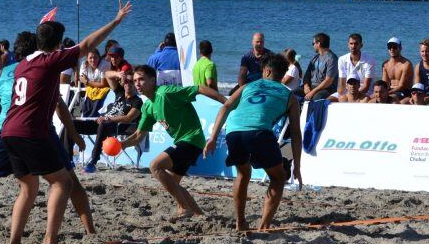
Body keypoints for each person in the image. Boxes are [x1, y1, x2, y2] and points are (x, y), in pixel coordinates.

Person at [0, 1, 132, 244]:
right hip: (31, 131)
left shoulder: (24, 64)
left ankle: (14, 242)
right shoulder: (50, 61)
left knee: (28, 188)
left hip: (8, 130)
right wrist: (115, 21)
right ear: (59, 44)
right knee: (63, 182)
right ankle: (50, 240)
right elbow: (88, 45)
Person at [0, 31, 95, 237]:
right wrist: (73, 133)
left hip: (5, 132)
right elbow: (60, 106)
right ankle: (89, 231)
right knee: (68, 181)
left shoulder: (2, 73)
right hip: (38, 130)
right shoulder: (39, 69)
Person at [204, 54, 302, 231]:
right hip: (258, 132)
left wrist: (212, 137)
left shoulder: (248, 86)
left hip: (233, 131)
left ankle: (240, 222)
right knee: (278, 178)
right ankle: (263, 227)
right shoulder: (290, 96)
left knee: (243, 174)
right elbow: (295, 133)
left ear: (267, 71)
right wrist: (298, 166)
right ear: (281, 74)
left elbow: (226, 106)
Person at [120, 65, 227, 222]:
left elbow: (199, 88)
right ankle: (199, 214)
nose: (137, 83)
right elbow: (138, 136)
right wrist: (121, 145)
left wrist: (225, 102)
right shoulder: (148, 106)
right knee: (173, 183)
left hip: (192, 140)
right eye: (135, 80)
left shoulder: (166, 93)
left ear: (152, 80)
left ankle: (183, 208)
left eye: (141, 79)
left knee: (155, 166)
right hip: (183, 142)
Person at [81, 72, 143, 173]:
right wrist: (119, 75)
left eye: (131, 82)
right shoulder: (119, 93)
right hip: (103, 122)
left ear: (135, 84)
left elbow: (129, 118)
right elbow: (107, 75)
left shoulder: (137, 101)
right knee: (72, 124)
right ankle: (67, 158)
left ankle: (93, 161)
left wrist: (108, 119)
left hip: (119, 127)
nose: (128, 84)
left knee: (103, 124)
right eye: (126, 81)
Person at [301, 32, 338, 100]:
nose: (313, 46)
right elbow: (307, 75)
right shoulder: (315, 58)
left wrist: (313, 92)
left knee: (316, 97)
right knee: (293, 94)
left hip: (325, 89)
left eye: (313, 43)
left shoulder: (331, 58)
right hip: (311, 87)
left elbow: (328, 81)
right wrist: (306, 86)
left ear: (318, 44)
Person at [79, 49, 111, 117]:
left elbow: (103, 84)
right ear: (87, 58)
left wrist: (87, 82)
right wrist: (88, 83)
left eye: (95, 57)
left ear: (99, 57)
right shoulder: (84, 65)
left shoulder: (104, 65)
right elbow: (83, 80)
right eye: (90, 58)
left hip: (104, 91)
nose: (93, 60)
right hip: (90, 91)